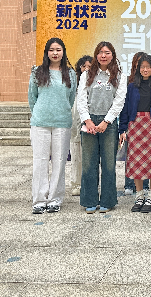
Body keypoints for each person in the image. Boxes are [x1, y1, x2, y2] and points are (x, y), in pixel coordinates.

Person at [28, 38, 77, 214]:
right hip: (40, 123)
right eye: (51, 50)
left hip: (62, 123)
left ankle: (55, 199)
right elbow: (32, 97)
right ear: (46, 52)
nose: (55, 53)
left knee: (59, 162)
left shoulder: (70, 74)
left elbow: (71, 98)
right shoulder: (37, 72)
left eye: (58, 49)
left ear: (63, 52)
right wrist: (40, 113)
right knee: (40, 162)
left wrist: (61, 111)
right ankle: (39, 200)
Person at [77, 41, 127, 214]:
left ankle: (108, 200)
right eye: (100, 52)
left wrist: (106, 121)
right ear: (96, 55)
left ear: (113, 55)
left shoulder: (119, 76)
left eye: (107, 53)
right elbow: (81, 99)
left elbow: (119, 101)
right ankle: (89, 200)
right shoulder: (87, 74)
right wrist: (87, 120)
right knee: (89, 164)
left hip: (109, 124)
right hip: (89, 122)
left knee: (108, 164)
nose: (103, 56)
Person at [119, 54, 151, 214]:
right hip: (135, 127)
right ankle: (139, 196)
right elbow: (125, 110)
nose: (145, 70)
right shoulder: (132, 87)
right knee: (135, 162)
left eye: (148, 67)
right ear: (138, 69)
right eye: (142, 67)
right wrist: (123, 129)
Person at [69, 55, 92, 197]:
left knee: (90, 157)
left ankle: (89, 183)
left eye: (90, 66)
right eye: (84, 66)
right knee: (76, 155)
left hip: (91, 125)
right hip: (75, 127)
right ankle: (76, 184)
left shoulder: (96, 84)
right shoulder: (74, 85)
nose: (86, 69)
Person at [123, 52, 145, 196]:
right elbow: (124, 106)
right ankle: (129, 184)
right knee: (131, 154)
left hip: (147, 122)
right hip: (132, 122)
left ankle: (145, 184)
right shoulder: (127, 82)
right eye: (138, 63)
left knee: (146, 154)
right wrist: (124, 126)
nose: (141, 67)